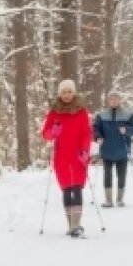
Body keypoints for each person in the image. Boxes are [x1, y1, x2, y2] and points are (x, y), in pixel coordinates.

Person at [41, 80, 93, 238]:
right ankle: (70, 225)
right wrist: (53, 132)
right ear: (60, 94)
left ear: (74, 93)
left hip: (78, 155)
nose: (67, 95)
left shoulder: (81, 111)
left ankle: (76, 225)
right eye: (64, 92)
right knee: (67, 188)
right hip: (61, 156)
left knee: (77, 187)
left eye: (69, 92)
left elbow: (86, 133)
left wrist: (85, 150)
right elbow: (45, 134)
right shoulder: (54, 112)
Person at [92, 92, 133, 207]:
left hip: (122, 150)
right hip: (106, 149)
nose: (114, 101)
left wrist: (126, 130)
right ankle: (108, 200)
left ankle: (120, 199)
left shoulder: (128, 114)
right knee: (107, 175)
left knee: (121, 175)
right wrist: (98, 137)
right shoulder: (101, 115)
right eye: (111, 99)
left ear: (120, 100)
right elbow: (95, 128)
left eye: (116, 99)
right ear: (108, 101)